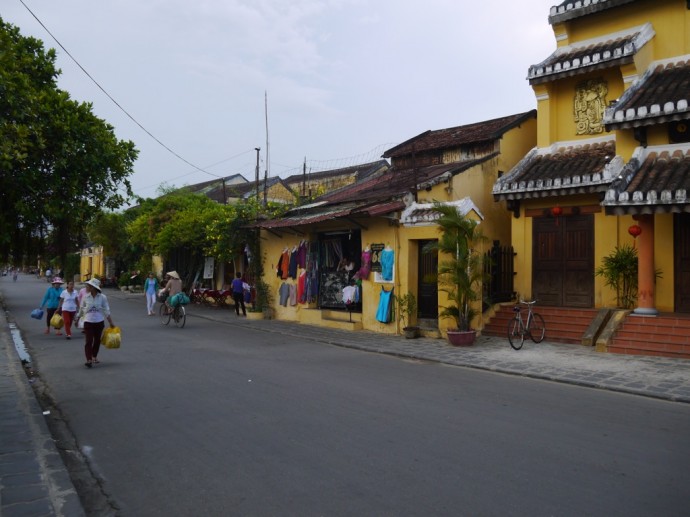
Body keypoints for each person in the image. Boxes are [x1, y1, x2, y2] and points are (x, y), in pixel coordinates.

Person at [78, 278, 114, 368]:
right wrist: (77, 318)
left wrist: (111, 322)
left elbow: (106, 310)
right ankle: (89, 359)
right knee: (89, 341)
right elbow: (82, 309)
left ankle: (94, 356)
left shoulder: (102, 297)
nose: (87, 287)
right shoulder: (86, 297)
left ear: (93, 287)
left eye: (88, 286)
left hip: (99, 322)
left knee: (97, 340)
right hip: (88, 321)